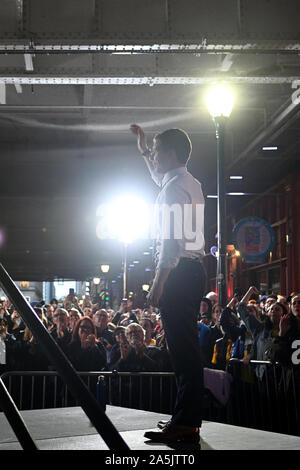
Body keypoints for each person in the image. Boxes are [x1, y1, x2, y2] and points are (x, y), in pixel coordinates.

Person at [131, 124, 206, 444]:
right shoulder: (186, 181)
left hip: (178, 272)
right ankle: (183, 417)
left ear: (172, 153)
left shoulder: (173, 189)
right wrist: (141, 148)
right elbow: (157, 176)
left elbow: (171, 243)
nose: (153, 155)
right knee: (182, 349)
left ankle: (187, 422)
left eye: (157, 150)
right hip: (191, 270)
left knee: (183, 351)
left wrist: (158, 283)